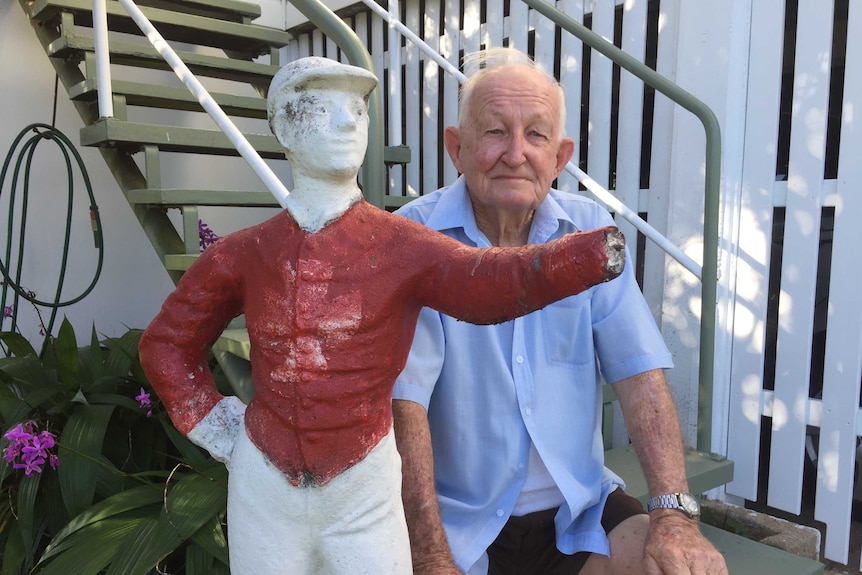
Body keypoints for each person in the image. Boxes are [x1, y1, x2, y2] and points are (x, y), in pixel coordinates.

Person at [138, 56, 627, 574]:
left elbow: (486, 283)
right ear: (282, 123)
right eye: (322, 107)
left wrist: (584, 257)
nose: (348, 122)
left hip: (364, 484)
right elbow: (167, 343)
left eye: (357, 108)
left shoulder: (402, 244)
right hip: (265, 484)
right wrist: (214, 425)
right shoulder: (246, 252)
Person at [392, 47, 729, 575]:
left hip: (579, 514)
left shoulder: (590, 234)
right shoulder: (414, 239)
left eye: (536, 135)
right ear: (456, 149)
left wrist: (673, 516)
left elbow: (639, 373)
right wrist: (429, 553)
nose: (515, 153)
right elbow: (403, 406)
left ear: (560, 156)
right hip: (457, 522)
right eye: (495, 132)